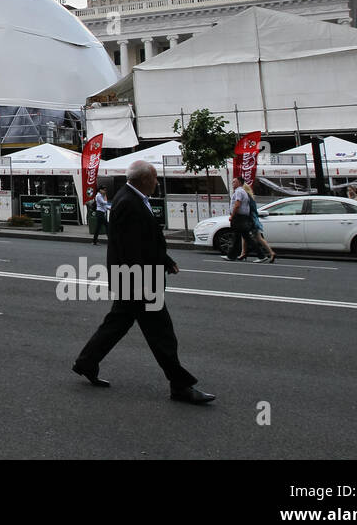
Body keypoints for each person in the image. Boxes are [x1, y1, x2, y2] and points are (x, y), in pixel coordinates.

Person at [72, 160, 214, 405]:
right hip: (138, 281)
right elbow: (130, 249)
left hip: (134, 280)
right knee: (162, 333)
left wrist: (165, 259)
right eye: (155, 178)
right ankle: (180, 385)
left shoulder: (132, 198)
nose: (157, 182)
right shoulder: (128, 202)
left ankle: (86, 362)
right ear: (145, 179)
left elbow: (144, 241)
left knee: (116, 325)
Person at [241, 181, 276, 263]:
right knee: (245, 236)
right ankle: (243, 253)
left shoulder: (246, 198)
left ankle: (271, 253)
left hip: (251, 220)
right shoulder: (251, 197)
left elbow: (247, 210)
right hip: (253, 219)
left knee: (258, 238)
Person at [225, 176, 253, 261]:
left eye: (234, 182)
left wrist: (232, 216)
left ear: (240, 183)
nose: (232, 183)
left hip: (239, 217)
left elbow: (237, 205)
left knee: (239, 236)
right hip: (241, 217)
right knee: (240, 236)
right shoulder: (241, 191)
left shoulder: (239, 192)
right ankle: (232, 255)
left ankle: (260, 253)